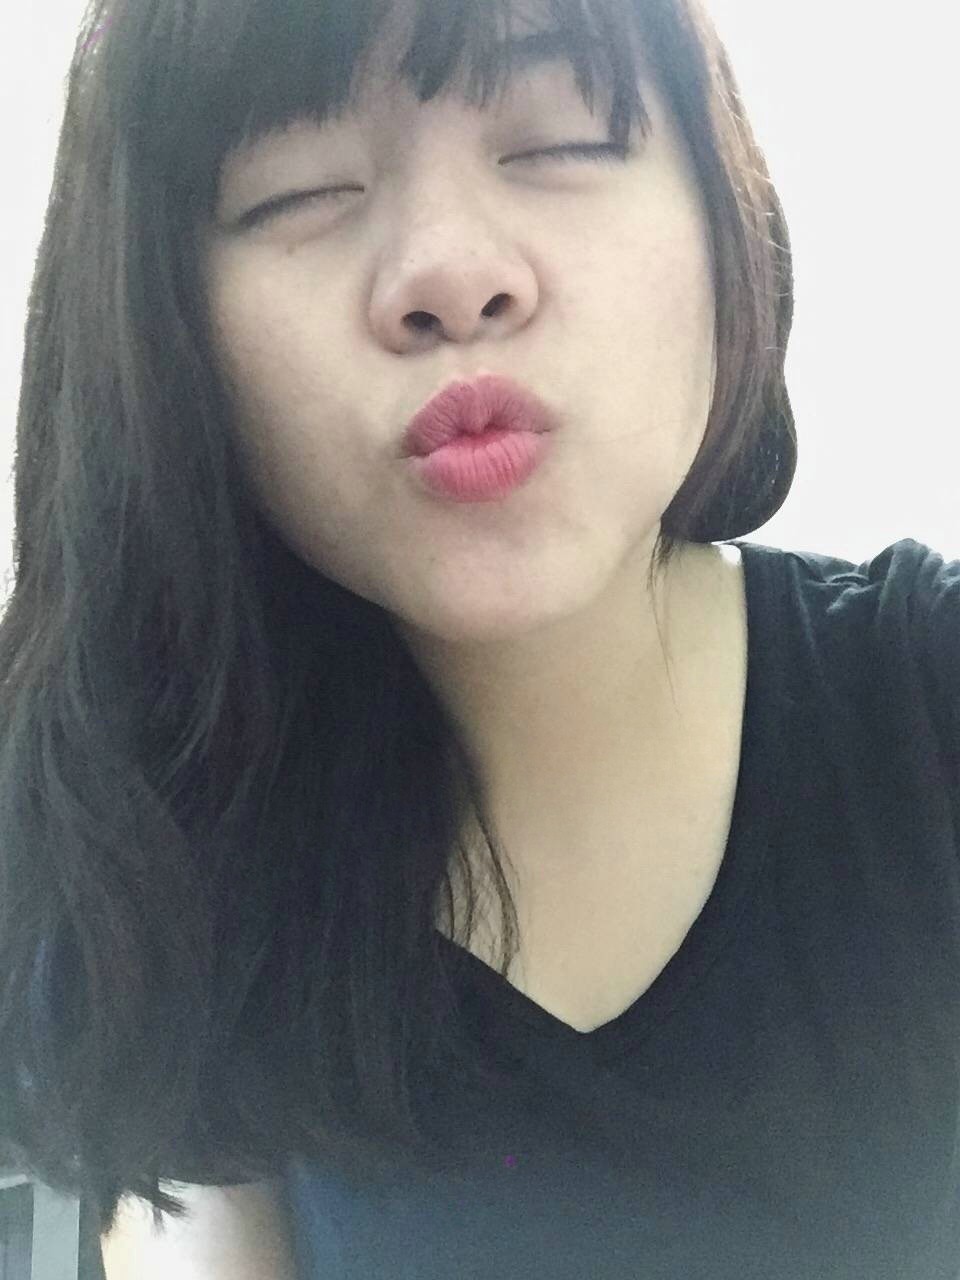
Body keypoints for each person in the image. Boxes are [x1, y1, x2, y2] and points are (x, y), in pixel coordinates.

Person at [0, 0, 956, 1276]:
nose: (451, 272)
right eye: (298, 189)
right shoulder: (158, 846)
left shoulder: (926, 695)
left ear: (727, 217)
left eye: (560, 141)